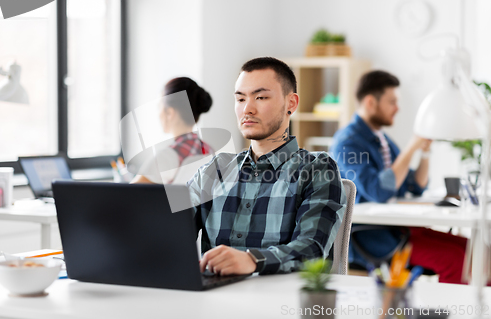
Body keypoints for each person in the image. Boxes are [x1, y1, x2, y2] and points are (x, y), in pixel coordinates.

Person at [188, 57, 346, 276]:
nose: (247, 109)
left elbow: (311, 248)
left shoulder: (317, 169)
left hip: (282, 303)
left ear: (291, 103)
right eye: (240, 99)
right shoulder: (214, 170)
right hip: (213, 298)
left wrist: (253, 261)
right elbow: (167, 230)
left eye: (260, 97)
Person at [330, 70, 468, 284]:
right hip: (374, 236)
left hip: (401, 228)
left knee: (475, 251)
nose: (398, 108)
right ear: (370, 102)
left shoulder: (382, 139)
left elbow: (415, 185)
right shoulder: (348, 143)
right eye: (392, 101)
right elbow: (379, 191)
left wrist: (424, 151)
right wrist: (412, 145)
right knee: (456, 259)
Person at [132, 77, 214, 184]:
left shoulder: (166, 157)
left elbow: (128, 196)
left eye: (159, 106)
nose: (158, 113)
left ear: (170, 113)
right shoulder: (209, 152)